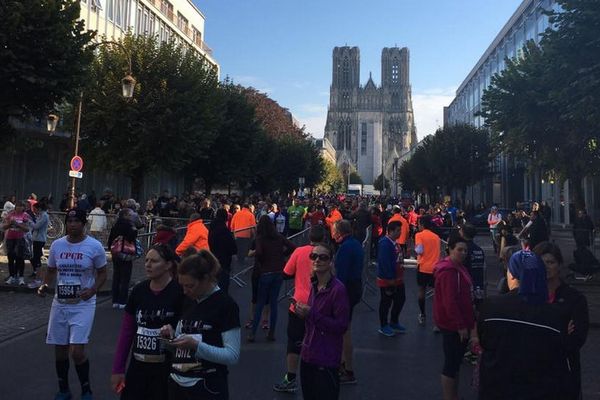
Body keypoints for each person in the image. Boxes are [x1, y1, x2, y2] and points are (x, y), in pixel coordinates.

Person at [477, 249, 571, 399]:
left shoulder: (491, 306)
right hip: (538, 390)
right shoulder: (555, 314)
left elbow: (484, 340)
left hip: (496, 388)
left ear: (512, 274)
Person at [37, 208, 107, 400]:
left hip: (83, 304)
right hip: (60, 303)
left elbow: (102, 273)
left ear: (84, 224)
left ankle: (86, 390)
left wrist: (92, 290)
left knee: (76, 350)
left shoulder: (94, 247)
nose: (72, 224)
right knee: (60, 350)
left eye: (77, 221)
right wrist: (44, 285)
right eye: (69, 221)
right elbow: (51, 270)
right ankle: (64, 389)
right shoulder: (58, 245)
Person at [160, 250, 241, 400]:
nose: (185, 291)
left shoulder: (225, 305)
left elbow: (232, 355)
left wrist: (197, 346)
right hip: (177, 383)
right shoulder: (189, 299)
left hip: (206, 386)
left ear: (205, 279)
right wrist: (170, 337)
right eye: (182, 285)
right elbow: (180, 341)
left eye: (190, 286)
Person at [111, 244, 184, 399]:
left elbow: (186, 332)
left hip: (166, 369)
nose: (148, 265)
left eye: (154, 261)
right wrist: (118, 369)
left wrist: (173, 334)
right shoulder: (139, 291)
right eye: (146, 261)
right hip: (138, 366)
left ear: (168, 265)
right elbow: (127, 332)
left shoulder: (179, 292)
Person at [273, 225, 327, 393]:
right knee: (319, 341)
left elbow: (286, 273)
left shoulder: (299, 251)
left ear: (309, 236)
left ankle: (290, 378)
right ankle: (319, 377)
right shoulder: (327, 254)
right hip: (321, 304)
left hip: (298, 303)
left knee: (294, 342)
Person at [534, 241, 589, 399]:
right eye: (541, 263)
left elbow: (577, 339)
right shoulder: (528, 297)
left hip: (564, 372)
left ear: (559, 265)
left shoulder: (575, 298)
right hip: (534, 373)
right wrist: (560, 332)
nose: (546, 267)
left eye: (550, 262)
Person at [295, 243, 349, 400]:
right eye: (313, 256)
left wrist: (311, 314)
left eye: (323, 257)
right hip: (308, 356)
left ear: (330, 262)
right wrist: (303, 314)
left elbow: (341, 326)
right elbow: (313, 319)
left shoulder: (338, 290)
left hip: (326, 359)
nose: (317, 260)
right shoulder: (314, 285)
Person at [433, 236, 475, 400]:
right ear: (450, 249)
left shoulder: (458, 267)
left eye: (465, 250)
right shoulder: (449, 271)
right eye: (459, 249)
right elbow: (450, 301)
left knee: (456, 363)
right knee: (451, 364)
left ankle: (454, 395)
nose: (463, 253)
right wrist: (460, 325)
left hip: (459, 321)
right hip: (452, 325)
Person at [247, 215, 296, 342]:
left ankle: (253, 333)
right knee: (273, 303)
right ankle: (271, 332)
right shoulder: (278, 237)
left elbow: (258, 252)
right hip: (278, 272)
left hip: (265, 272)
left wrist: (262, 262)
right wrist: (282, 255)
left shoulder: (260, 238)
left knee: (260, 302)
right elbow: (292, 246)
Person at [332, 219, 363, 384]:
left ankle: (347, 368)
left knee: (344, 329)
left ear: (338, 232)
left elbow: (341, 274)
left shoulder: (345, 248)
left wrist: (334, 294)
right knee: (345, 328)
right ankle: (343, 363)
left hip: (347, 289)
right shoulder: (355, 243)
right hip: (355, 287)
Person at [376, 221, 407, 336]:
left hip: (397, 278)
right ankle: (383, 325)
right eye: (398, 230)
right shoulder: (385, 243)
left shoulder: (394, 243)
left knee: (400, 299)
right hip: (388, 280)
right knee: (386, 302)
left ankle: (394, 321)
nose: (400, 233)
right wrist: (389, 278)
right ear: (391, 231)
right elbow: (384, 262)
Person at [108, 208, 139, 308]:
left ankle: (115, 300)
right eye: (129, 215)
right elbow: (131, 236)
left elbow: (110, 239)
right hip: (126, 252)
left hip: (116, 253)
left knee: (116, 276)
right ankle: (122, 300)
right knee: (125, 277)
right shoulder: (129, 225)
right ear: (126, 215)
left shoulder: (116, 225)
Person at [414, 215, 441, 326]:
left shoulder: (419, 235)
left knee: (421, 291)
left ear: (422, 225)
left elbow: (419, 250)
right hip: (435, 268)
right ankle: (437, 320)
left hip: (423, 266)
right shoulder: (436, 237)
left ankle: (422, 314)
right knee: (437, 293)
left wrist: (415, 249)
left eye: (419, 224)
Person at [2, 200, 32, 286]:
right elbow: (3, 227)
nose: (19, 207)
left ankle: (21, 277)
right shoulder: (10, 214)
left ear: (24, 208)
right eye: (18, 205)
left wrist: (18, 224)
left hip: (20, 238)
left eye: (21, 206)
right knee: (10, 258)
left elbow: (27, 229)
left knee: (20, 258)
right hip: (10, 238)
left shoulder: (25, 216)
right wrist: (9, 224)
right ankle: (12, 276)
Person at [208, 209, 237, 294]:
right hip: (224, 261)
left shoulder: (212, 228)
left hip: (214, 258)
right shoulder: (224, 231)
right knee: (223, 287)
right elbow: (233, 248)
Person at [29, 201, 49, 287]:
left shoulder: (44, 216)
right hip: (36, 238)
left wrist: (30, 222)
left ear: (39, 209)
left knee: (37, 258)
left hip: (40, 239)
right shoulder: (41, 215)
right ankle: (37, 274)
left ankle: (39, 278)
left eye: (35, 209)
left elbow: (36, 226)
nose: (34, 211)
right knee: (34, 257)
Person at [230, 203, 256, 268]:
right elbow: (253, 227)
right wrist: (254, 236)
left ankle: (239, 263)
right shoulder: (251, 215)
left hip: (237, 235)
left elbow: (231, 226)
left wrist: (233, 234)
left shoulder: (236, 214)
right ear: (249, 208)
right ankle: (242, 264)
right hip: (246, 236)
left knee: (239, 250)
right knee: (244, 251)